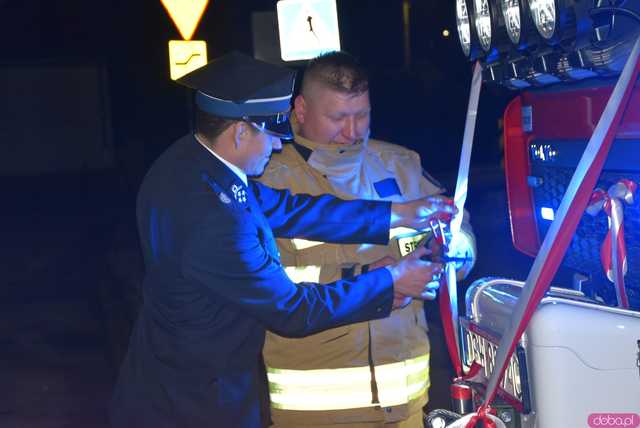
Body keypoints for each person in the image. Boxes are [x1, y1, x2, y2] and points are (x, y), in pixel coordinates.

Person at [108, 51, 456, 428]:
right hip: (194, 405)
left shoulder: (195, 165)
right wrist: (389, 281)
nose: (278, 146)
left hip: (184, 387)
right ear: (241, 131)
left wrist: (398, 214)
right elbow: (292, 310)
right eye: (273, 134)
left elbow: (292, 209)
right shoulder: (212, 217)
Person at [258, 51, 476, 427]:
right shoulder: (269, 180)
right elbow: (268, 288)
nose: (353, 131)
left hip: (406, 403)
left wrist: (456, 252)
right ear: (301, 109)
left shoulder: (400, 165)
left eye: (362, 115)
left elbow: (458, 231)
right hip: (315, 411)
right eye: (338, 117)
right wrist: (369, 278)